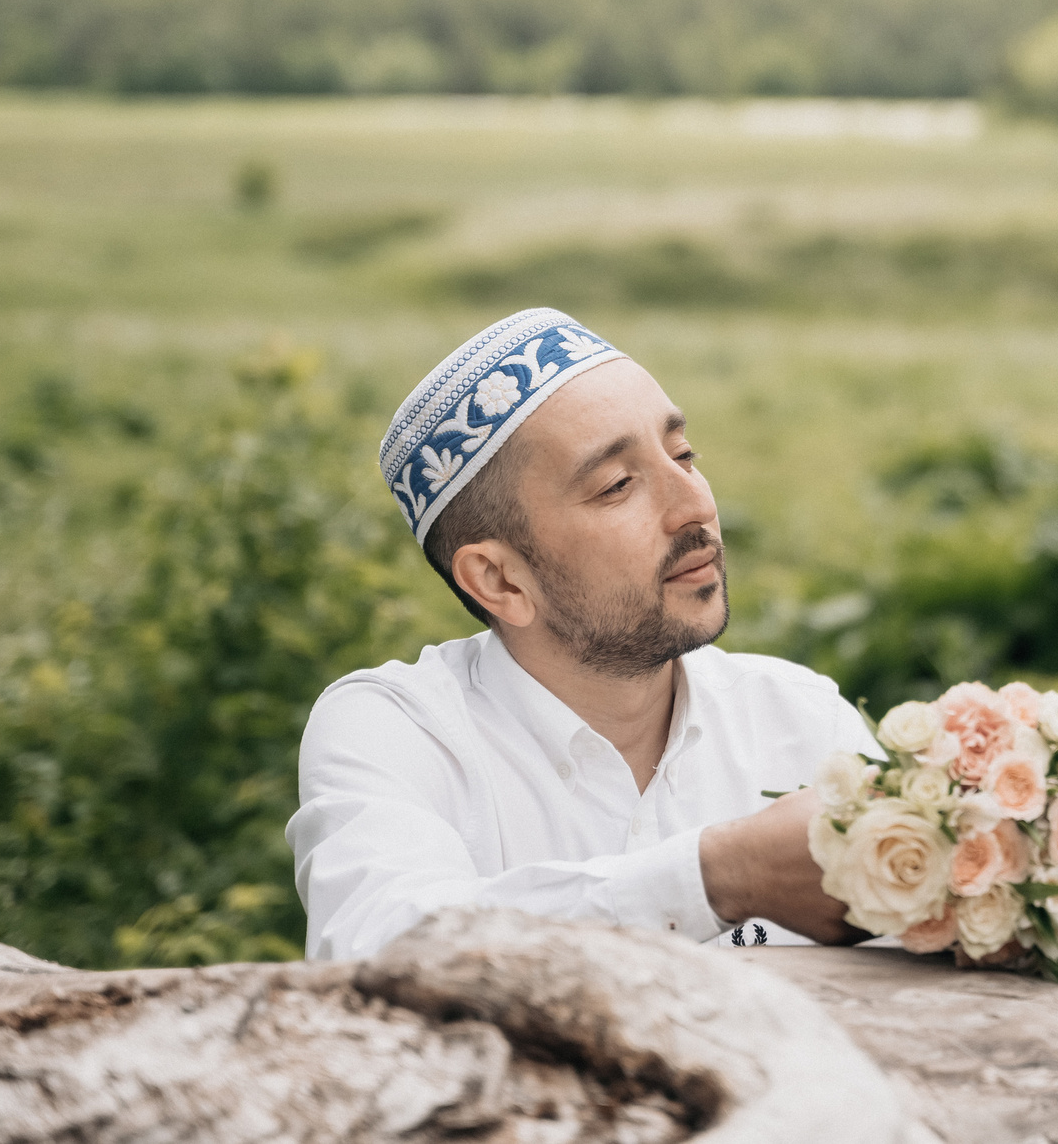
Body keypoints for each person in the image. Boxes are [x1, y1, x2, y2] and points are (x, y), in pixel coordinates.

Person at [288, 307, 862, 960]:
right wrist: (719, 875)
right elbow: (377, 948)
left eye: (683, 454)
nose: (695, 505)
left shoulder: (798, 715)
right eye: (617, 484)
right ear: (500, 580)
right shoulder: (400, 730)